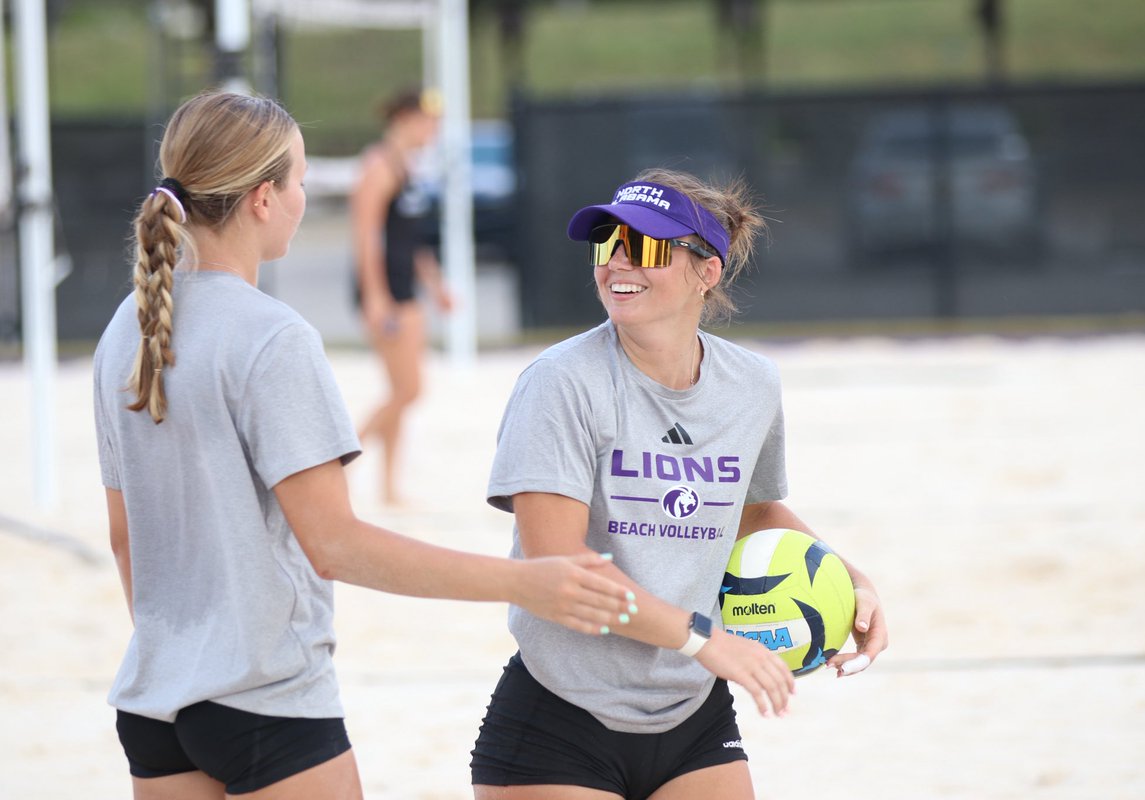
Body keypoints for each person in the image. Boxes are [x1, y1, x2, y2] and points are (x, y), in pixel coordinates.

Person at [92, 90, 637, 800]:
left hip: (154, 701)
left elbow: (123, 537)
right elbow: (337, 546)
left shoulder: (123, 333)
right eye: (300, 181)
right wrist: (522, 581)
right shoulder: (272, 337)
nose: (303, 197)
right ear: (263, 198)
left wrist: (184, 650)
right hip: (264, 700)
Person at [470, 169, 889, 800]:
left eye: (643, 247)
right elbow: (560, 569)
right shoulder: (561, 381)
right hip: (562, 714)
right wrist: (703, 638)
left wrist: (847, 580)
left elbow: (752, 509)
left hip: (692, 709)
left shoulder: (751, 385)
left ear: (707, 271)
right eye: (607, 242)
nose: (616, 262)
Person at [350, 87, 453, 505]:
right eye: (429, 121)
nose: (434, 129)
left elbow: (412, 239)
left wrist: (436, 285)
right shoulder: (378, 166)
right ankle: (339, 460)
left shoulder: (407, 167)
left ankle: (388, 487)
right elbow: (364, 235)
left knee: (399, 389)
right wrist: (376, 297)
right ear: (405, 120)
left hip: (404, 287)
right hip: (386, 290)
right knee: (409, 390)